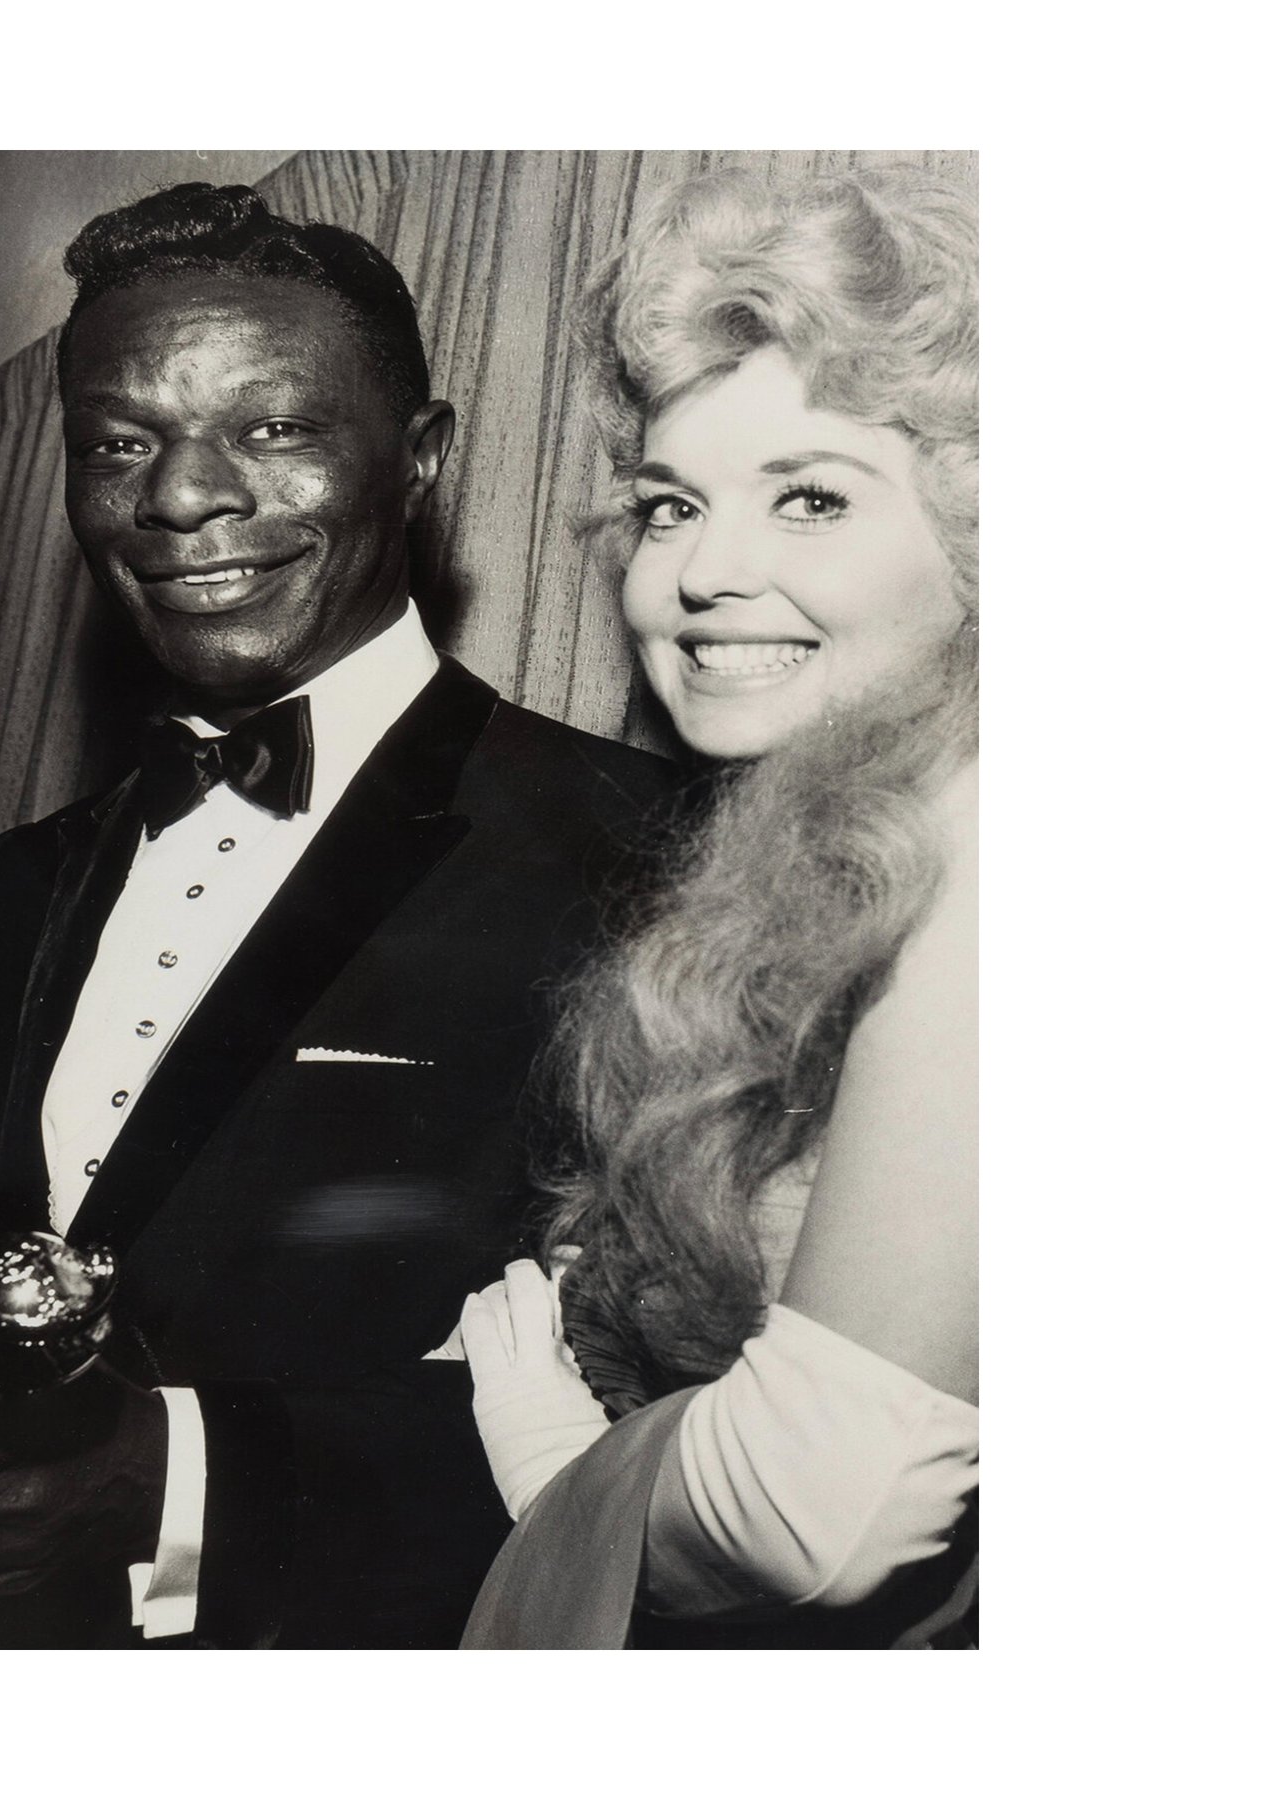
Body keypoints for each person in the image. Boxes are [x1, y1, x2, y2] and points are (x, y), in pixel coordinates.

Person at [0, 183, 675, 1649]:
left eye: (273, 428)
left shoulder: (651, 857)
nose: (180, 496)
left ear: (419, 461)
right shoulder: (0, 887)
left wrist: (181, 1486)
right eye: (120, 442)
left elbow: (695, 1434)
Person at [454, 166, 980, 1648]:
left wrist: (565, 1478)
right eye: (670, 504)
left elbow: (825, 1509)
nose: (702, 571)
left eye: (810, 496)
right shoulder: (847, 843)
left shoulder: (996, 822)